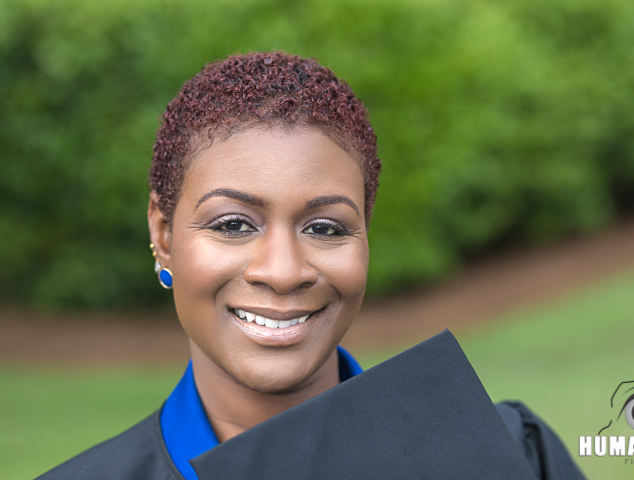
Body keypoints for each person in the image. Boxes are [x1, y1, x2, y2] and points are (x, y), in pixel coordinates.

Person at [37, 52, 585, 479]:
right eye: (233, 224)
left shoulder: (507, 455)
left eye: (324, 228)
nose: (282, 271)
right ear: (163, 235)